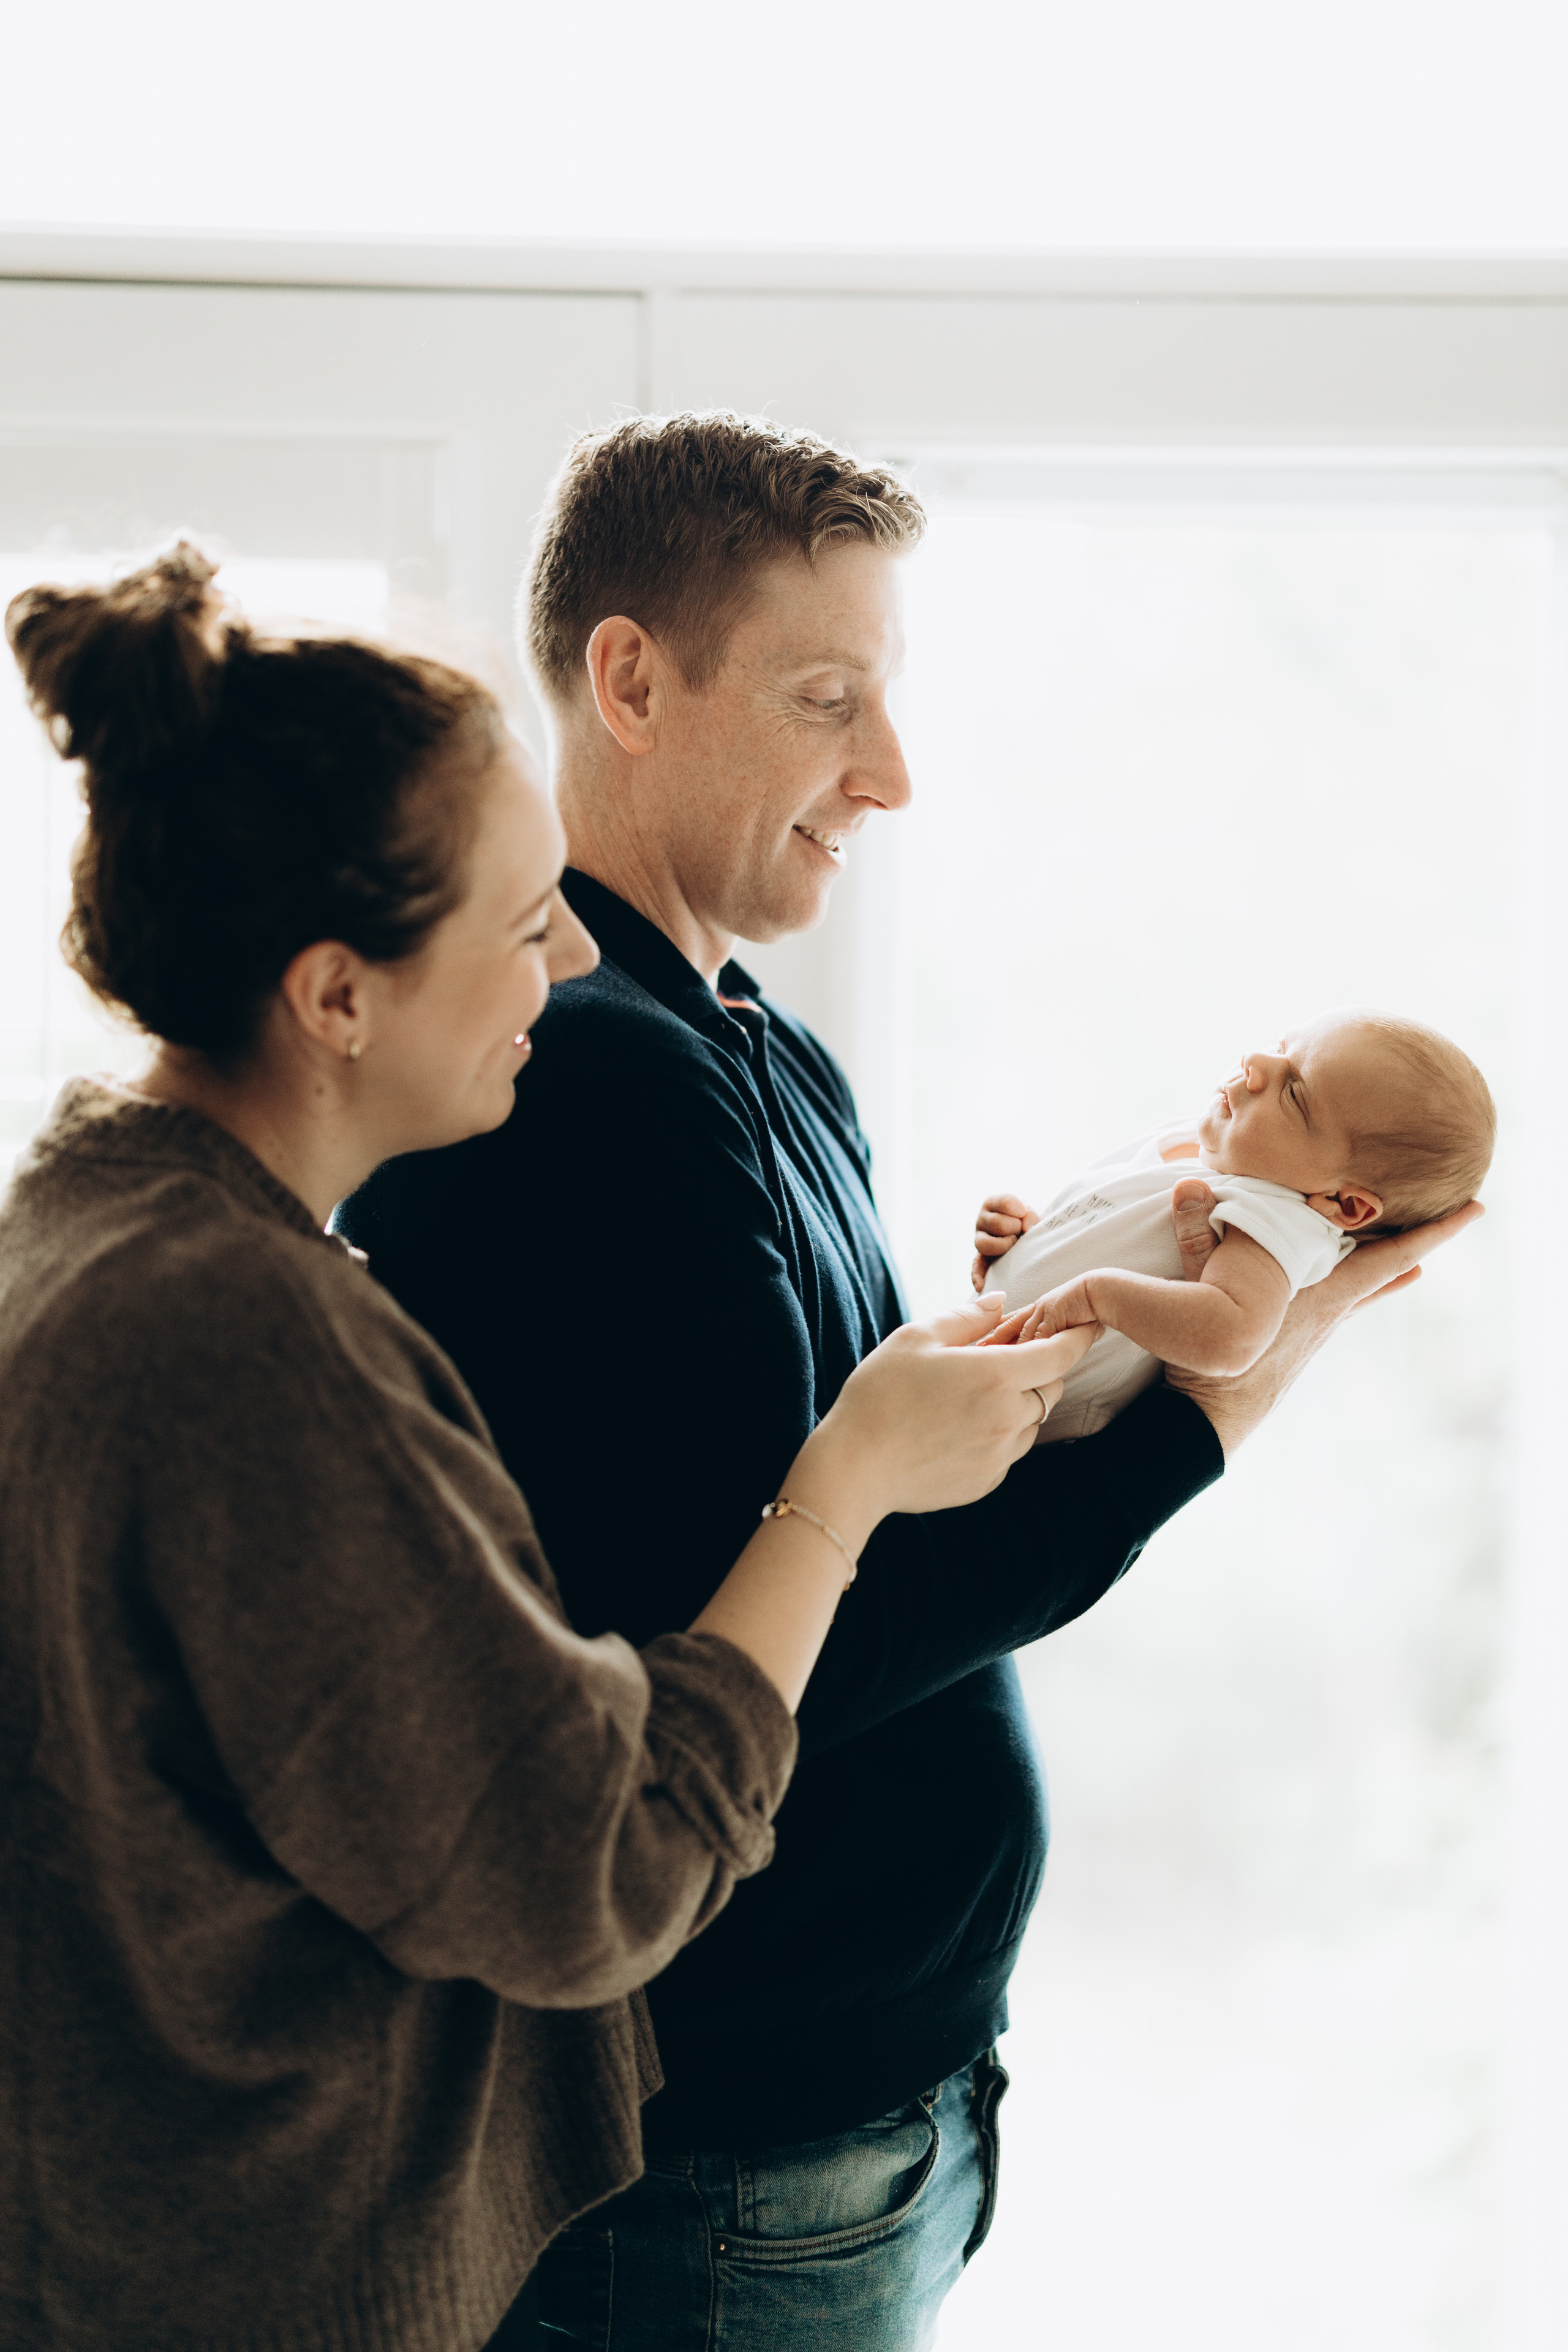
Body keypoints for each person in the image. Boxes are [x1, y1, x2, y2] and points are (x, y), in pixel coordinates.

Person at [337, 415, 1479, 2352]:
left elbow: (880, 1502)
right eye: (823, 699)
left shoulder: (755, 1046)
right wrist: (1219, 1406)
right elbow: (761, 1651)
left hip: (856, 2110)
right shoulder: (591, 1080)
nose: (889, 771)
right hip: (728, 2157)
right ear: (630, 679)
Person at [0, 545, 1090, 2352]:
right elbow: (589, 1871)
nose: (577, 953)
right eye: (522, 921)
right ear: (337, 995)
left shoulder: (98, 1225)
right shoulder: (244, 1333)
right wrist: (844, 1482)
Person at [974, 1007, 1494, 1439]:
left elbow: (1233, 1337)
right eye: (1283, 1047)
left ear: (1347, 1206)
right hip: (984, 1372)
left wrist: (1096, 1295)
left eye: (1294, 1093)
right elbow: (1124, 1237)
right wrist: (1031, 1241)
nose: (1256, 1062)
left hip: (1027, 1426)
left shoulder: (1281, 1218)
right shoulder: (1227, 1158)